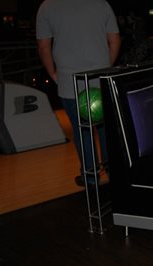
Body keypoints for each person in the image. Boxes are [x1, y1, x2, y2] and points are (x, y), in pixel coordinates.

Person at [36, 0, 121, 186]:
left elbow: (44, 47)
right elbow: (114, 40)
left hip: (70, 82)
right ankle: (113, 172)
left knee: (82, 131)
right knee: (106, 130)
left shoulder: (48, 6)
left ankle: (90, 177)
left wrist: (53, 74)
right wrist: (106, 68)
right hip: (101, 82)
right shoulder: (101, 4)